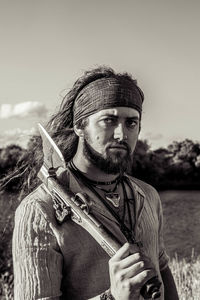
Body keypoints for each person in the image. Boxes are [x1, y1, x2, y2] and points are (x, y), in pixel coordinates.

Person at [12, 66, 179, 300]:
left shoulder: (147, 195)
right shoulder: (39, 210)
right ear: (80, 126)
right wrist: (112, 297)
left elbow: (161, 266)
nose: (121, 134)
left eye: (131, 123)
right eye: (108, 120)